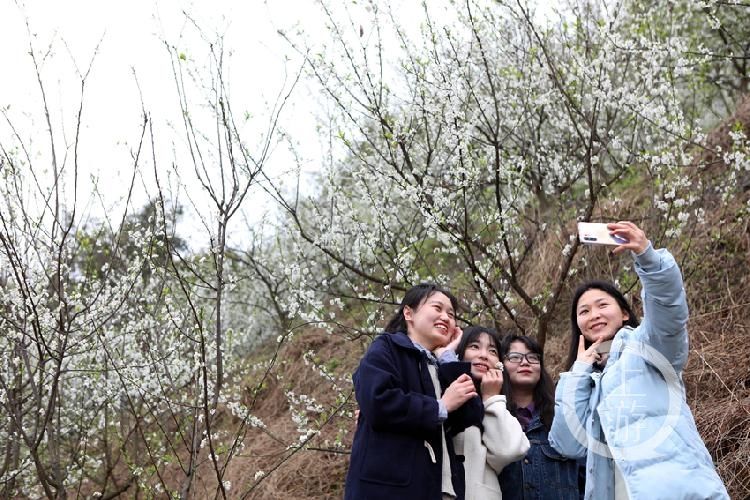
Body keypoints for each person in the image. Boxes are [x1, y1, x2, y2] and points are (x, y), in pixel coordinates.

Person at [549, 221, 729, 499]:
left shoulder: (646, 347)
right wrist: (578, 371)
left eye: (602, 305)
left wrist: (649, 259)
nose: (593, 314)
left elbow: (669, 317)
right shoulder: (588, 382)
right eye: (583, 311)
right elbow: (568, 445)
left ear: (624, 313)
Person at [344, 283, 482, 500]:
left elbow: (472, 414)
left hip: (442, 489)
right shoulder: (386, 347)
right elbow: (378, 401)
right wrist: (440, 406)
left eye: (451, 314)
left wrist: (448, 358)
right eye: (437, 308)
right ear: (408, 313)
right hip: (390, 490)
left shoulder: (441, 364)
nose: (446, 317)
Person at [497, 333, 584, 500]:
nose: (525, 362)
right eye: (515, 357)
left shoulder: (563, 416)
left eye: (532, 357)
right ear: (501, 365)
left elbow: (585, 477)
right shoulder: (494, 417)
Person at [448, 326, 530, 500]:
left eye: (492, 351)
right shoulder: (442, 391)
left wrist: (491, 398)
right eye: (474, 347)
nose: (484, 355)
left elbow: (508, 451)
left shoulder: (500, 405)